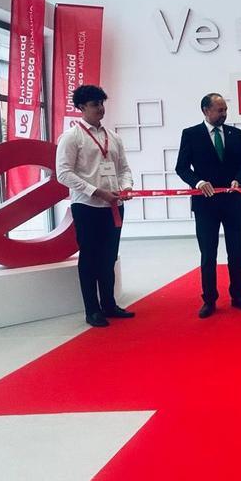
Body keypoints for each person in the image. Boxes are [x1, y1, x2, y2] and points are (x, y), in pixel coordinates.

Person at [55, 84, 135, 328]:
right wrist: (96, 191)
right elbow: (63, 173)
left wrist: (126, 187)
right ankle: (92, 309)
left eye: (102, 103)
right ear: (81, 108)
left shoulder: (113, 137)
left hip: (113, 206)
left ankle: (109, 304)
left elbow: (124, 169)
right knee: (89, 258)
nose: (100, 108)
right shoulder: (72, 137)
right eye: (94, 104)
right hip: (87, 206)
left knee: (108, 257)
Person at [174, 93, 241, 319]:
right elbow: (181, 168)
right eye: (219, 110)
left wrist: (239, 180)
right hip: (205, 204)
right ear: (205, 111)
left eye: (225, 110)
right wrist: (198, 183)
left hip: (233, 202)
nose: (224, 114)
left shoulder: (235, 134)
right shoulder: (190, 135)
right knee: (208, 253)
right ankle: (209, 299)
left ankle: (238, 294)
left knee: (236, 252)